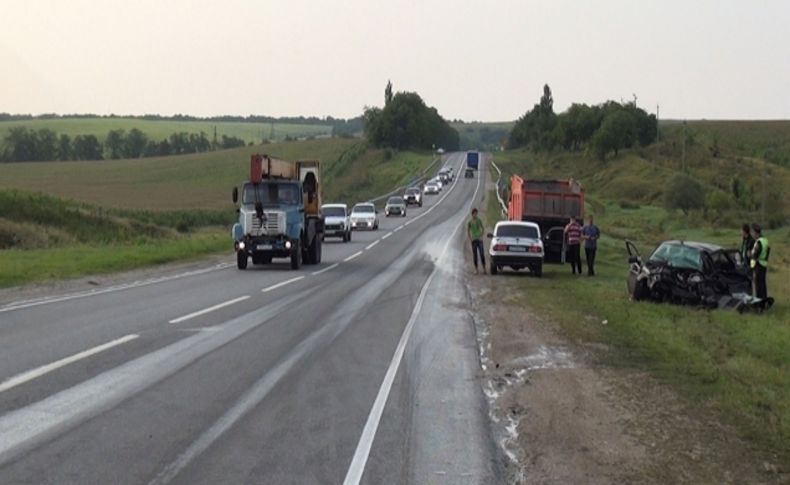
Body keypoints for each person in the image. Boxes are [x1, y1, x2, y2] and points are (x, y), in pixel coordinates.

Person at [750, 223, 770, 302]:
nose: (752, 234)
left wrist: (751, 267)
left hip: (758, 265)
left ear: (756, 232)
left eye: (752, 232)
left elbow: (754, 256)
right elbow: (768, 251)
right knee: (763, 285)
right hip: (764, 264)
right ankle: (764, 300)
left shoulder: (758, 242)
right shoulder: (765, 240)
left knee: (758, 286)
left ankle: (759, 303)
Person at [467, 208, 486, 274]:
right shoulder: (470, 222)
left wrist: (481, 236)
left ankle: (484, 268)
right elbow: (468, 230)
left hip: (479, 240)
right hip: (474, 240)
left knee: (482, 254)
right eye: (474, 214)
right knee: (475, 255)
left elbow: (483, 228)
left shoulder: (479, 220)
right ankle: (476, 269)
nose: (475, 215)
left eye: (476, 213)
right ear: (472, 214)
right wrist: (470, 238)